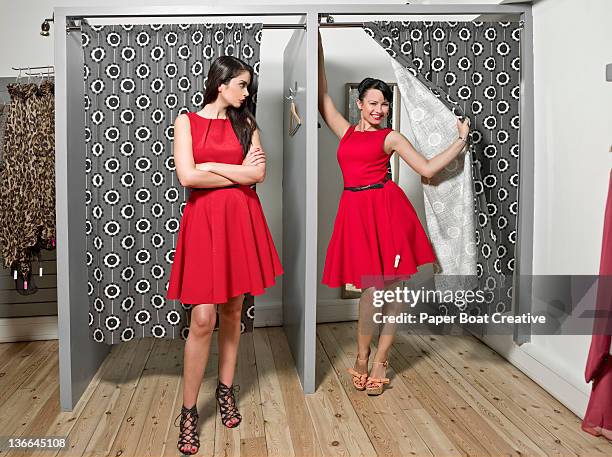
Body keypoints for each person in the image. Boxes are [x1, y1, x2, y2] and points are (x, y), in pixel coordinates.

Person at [317, 31, 470, 396]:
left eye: (384, 103)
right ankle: (361, 354)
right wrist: (316, 37)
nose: (379, 109)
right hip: (354, 210)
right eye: (372, 102)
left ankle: (381, 360)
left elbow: (428, 169)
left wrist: (460, 141)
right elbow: (322, 97)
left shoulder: (391, 137)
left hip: (386, 210)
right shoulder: (346, 132)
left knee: (394, 286)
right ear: (359, 103)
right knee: (371, 288)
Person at [166, 55, 283, 455]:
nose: (247, 93)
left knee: (233, 310)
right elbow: (187, 176)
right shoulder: (186, 121)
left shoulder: (246, 123)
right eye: (243, 85)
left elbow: (258, 175)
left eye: (248, 86)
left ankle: (226, 389)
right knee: (202, 318)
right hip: (205, 225)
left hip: (240, 221)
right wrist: (234, 170)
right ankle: (188, 412)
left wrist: (211, 164)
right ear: (222, 84)